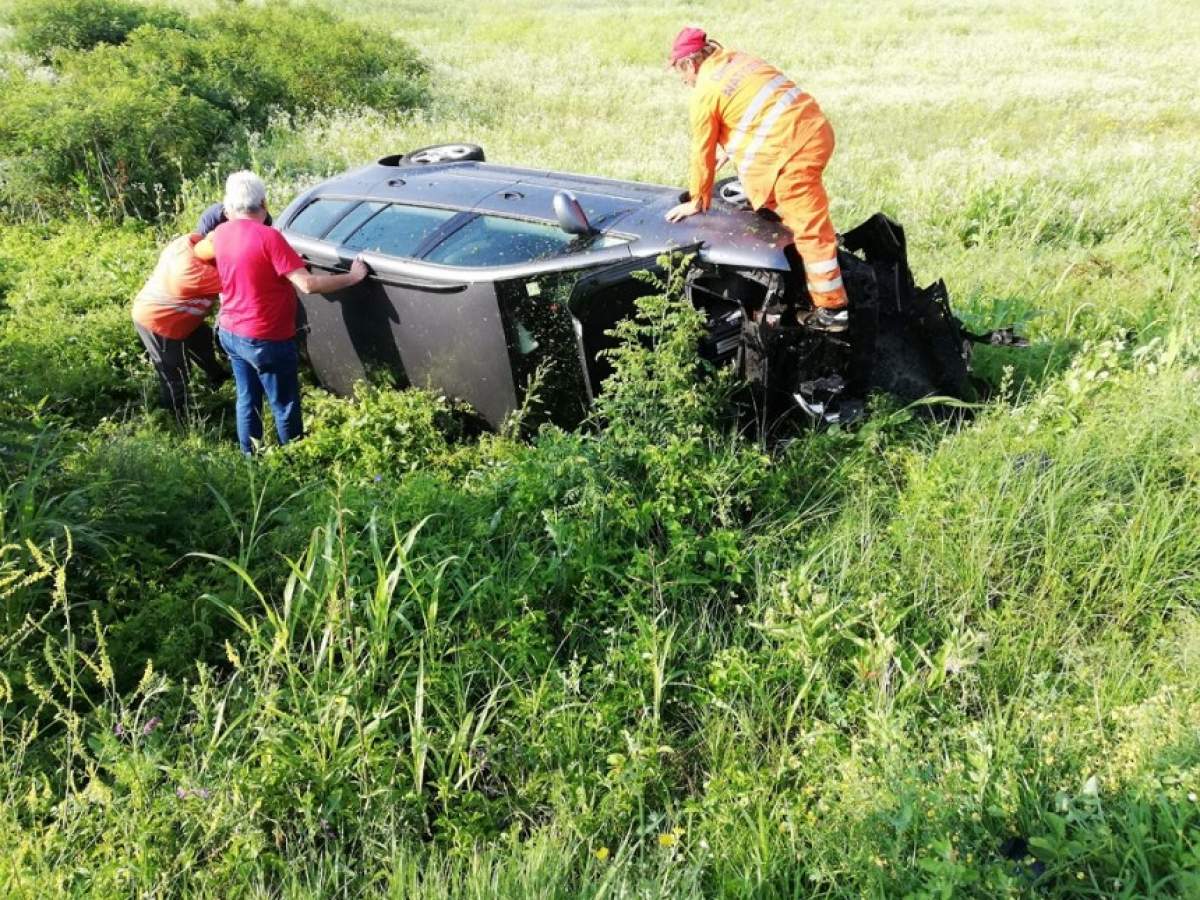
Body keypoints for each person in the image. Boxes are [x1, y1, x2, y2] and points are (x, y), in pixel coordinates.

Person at [664, 27, 849, 332]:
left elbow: (701, 151)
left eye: (680, 72)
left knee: (810, 230)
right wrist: (729, 151)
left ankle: (831, 310)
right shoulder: (739, 60)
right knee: (781, 208)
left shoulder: (704, 93)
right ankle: (802, 268)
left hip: (792, 152)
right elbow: (752, 113)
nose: (683, 81)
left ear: (689, 64)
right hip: (815, 130)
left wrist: (698, 200)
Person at [195, 171, 368, 454]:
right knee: (284, 404)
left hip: (230, 330)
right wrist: (353, 277)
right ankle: (293, 460)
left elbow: (204, 252)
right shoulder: (269, 238)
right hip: (266, 337)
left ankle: (250, 459)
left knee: (247, 399)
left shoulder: (221, 233)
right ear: (263, 202)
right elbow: (308, 284)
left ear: (229, 207)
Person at [132, 232, 228, 421]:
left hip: (182, 317)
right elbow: (241, 282)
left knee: (203, 342)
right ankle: (178, 418)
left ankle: (218, 379)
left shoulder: (187, 243)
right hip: (159, 322)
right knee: (175, 373)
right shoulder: (198, 273)